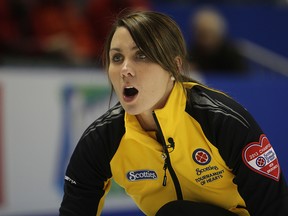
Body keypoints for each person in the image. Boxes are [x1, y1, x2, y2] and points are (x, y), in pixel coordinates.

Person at [59, 11, 288, 216]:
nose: (125, 69)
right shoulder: (101, 139)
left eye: (141, 55)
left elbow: (274, 207)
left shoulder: (222, 120)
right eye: (117, 58)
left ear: (175, 66)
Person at [188, 7, 247, 74]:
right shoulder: (192, 53)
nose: (205, 39)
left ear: (218, 34)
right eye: (201, 34)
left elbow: (242, 79)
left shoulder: (232, 55)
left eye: (209, 33)